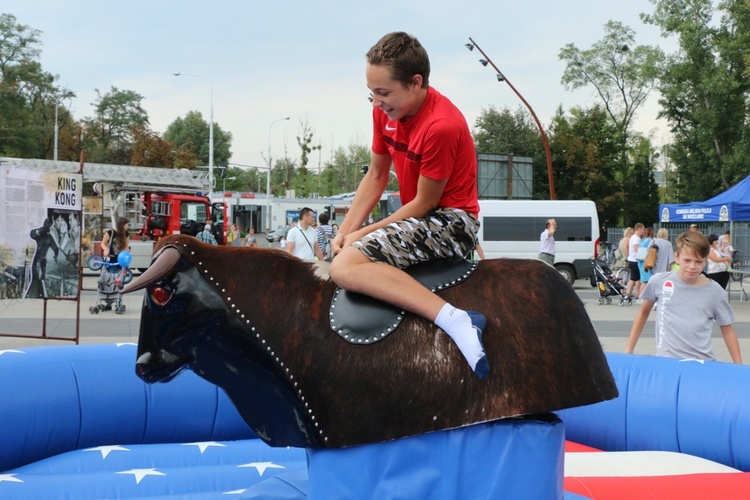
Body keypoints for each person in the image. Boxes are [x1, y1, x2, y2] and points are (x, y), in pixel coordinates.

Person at [329, 32, 488, 380]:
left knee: (344, 268)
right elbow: (375, 176)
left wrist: (360, 235)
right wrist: (343, 232)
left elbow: (423, 203)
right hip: (419, 216)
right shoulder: (382, 114)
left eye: (384, 93)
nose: (376, 103)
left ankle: (456, 319)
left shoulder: (441, 126)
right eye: (371, 93)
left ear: (416, 83)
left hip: (451, 221)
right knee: (338, 256)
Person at [625, 231, 742, 364]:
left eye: (698, 262)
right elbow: (643, 313)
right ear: (677, 257)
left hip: (702, 364)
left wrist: (738, 366)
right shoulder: (658, 281)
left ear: (705, 261)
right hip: (667, 362)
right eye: (687, 260)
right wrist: (629, 349)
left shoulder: (716, 292)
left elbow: (727, 329)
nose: (692, 266)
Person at [624, 223, 644, 300]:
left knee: (636, 279)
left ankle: (635, 294)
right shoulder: (636, 238)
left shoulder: (633, 237)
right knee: (634, 278)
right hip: (635, 260)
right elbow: (637, 249)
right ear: (639, 229)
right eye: (642, 229)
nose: (643, 231)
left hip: (632, 259)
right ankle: (629, 293)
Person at [636, 227, 655, 302]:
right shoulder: (650, 240)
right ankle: (641, 297)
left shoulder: (642, 240)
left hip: (640, 261)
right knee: (646, 281)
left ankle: (641, 297)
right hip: (646, 261)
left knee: (643, 280)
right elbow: (649, 250)